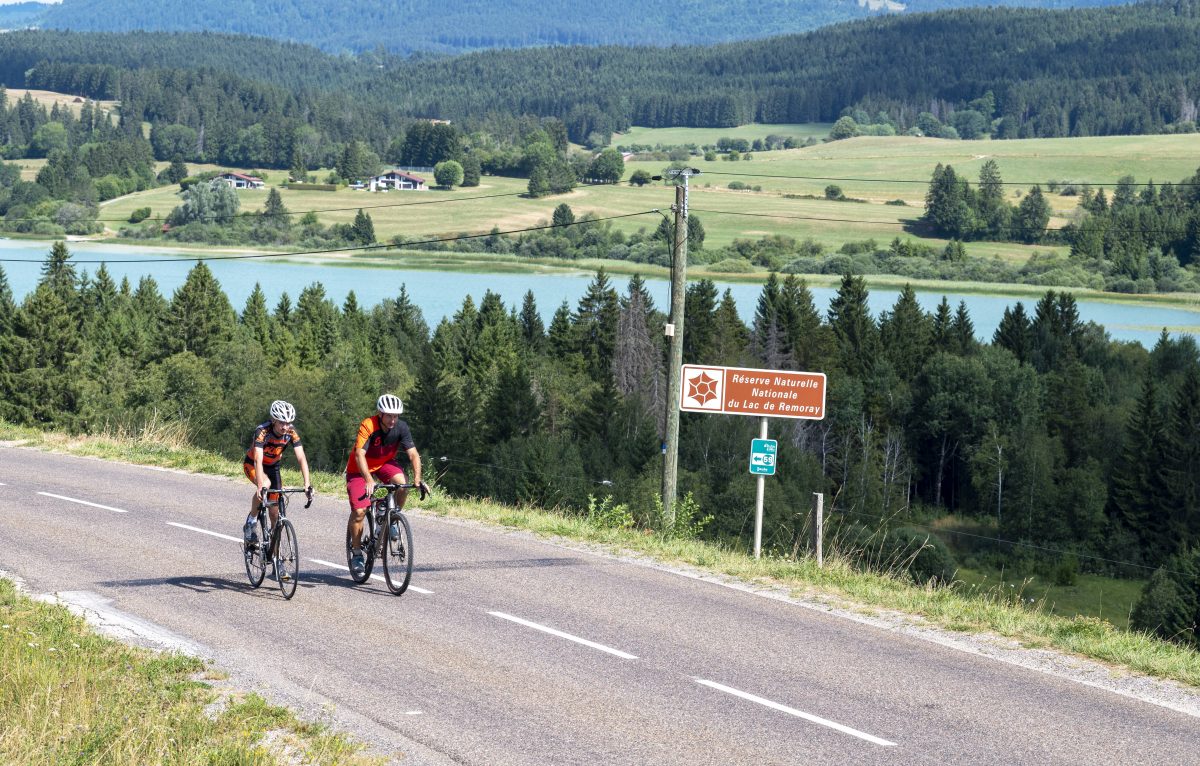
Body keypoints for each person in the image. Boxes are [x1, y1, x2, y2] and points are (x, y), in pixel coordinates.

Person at [346, 393, 429, 576]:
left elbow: (413, 454)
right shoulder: (368, 425)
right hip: (360, 468)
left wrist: (417, 479)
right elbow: (360, 455)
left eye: (396, 416)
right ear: (380, 414)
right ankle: (357, 553)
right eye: (389, 415)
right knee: (360, 511)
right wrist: (368, 479)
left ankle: (390, 514)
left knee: (402, 484)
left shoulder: (401, 427)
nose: (393, 420)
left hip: (384, 464)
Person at [243, 400, 313, 546]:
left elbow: (301, 458)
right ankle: (251, 521)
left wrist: (307, 484)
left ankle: (276, 557)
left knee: (275, 515)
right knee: (266, 485)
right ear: (274, 420)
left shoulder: (291, 433)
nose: (285, 427)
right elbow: (258, 459)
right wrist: (260, 486)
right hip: (254, 464)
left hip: (273, 467)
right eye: (282, 423)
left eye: (288, 423)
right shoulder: (262, 431)